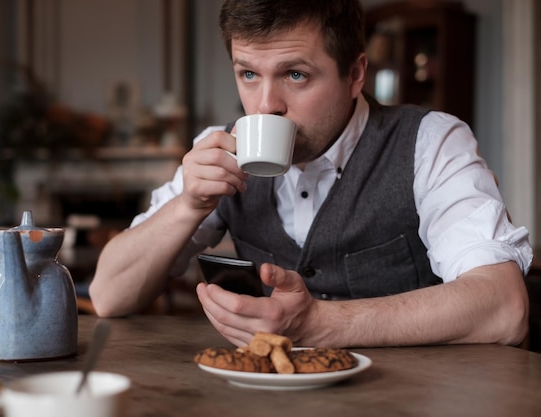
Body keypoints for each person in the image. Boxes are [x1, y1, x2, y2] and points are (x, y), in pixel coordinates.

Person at [90, 0, 532, 348]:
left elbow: (504, 307)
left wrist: (318, 323)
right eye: (248, 73)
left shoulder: (430, 142)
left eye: (295, 74)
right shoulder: (221, 147)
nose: (265, 106)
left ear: (356, 74)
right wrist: (187, 206)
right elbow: (109, 295)